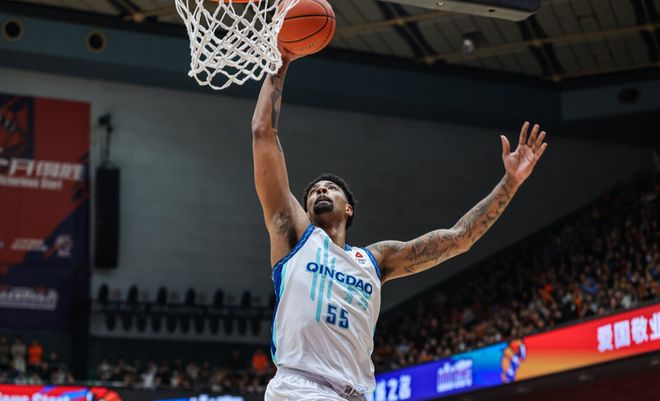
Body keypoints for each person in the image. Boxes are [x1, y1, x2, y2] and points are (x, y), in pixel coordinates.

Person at [251, 48, 548, 401]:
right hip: (298, 388)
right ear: (305, 210)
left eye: (330, 187)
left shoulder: (375, 260)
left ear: (349, 209)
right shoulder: (296, 238)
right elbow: (262, 134)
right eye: (314, 191)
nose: (320, 190)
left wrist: (510, 183)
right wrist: (281, 61)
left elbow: (460, 238)